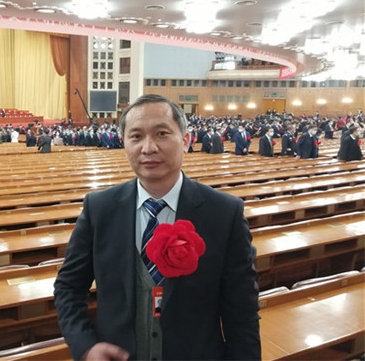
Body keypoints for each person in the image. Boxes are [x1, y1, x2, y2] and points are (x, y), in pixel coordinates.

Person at [54, 94, 260, 361]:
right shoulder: (100, 208)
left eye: (162, 133)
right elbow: (69, 286)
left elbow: (242, 312)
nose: (148, 148)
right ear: (124, 142)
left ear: (186, 140)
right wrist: (85, 346)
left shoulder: (223, 212)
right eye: (136, 136)